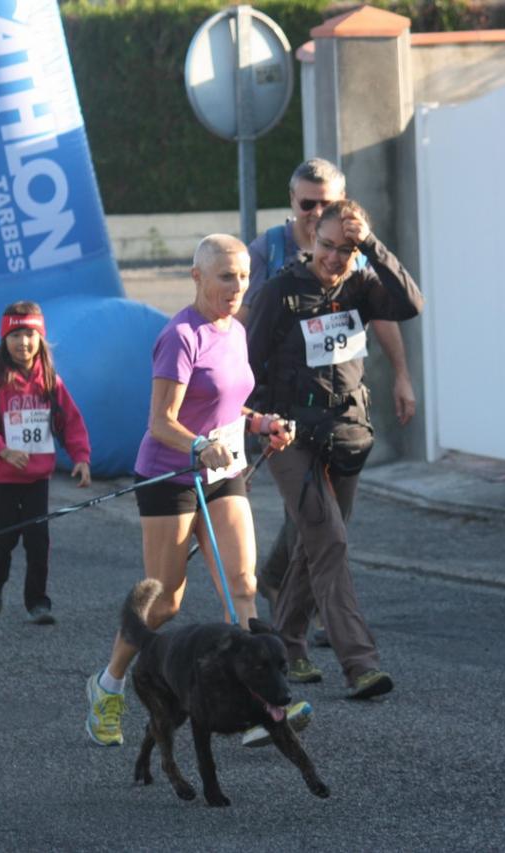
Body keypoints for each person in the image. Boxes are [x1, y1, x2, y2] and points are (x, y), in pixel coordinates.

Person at [85, 234, 299, 748]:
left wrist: (261, 423)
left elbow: (226, 403)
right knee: (163, 604)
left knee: (241, 584)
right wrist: (199, 445)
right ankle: (108, 685)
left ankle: (256, 709)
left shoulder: (236, 330)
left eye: (244, 276)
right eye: (226, 276)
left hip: (223, 473)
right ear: (197, 277)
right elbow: (161, 421)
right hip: (171, 477)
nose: (237, 287)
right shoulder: (180, 336)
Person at [245, 199, 424, 700]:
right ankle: (360, 663)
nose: (333, 258)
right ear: (312, 240)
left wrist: (372, 245)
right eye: (326, 246)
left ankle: (287, 645)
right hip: (288, 434)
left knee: (315, 544)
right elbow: (246, 368)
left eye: (345, 250)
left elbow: (410, 304)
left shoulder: (360, 286)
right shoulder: (280, 291)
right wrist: (253, 429)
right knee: (331, 540)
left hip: (346, 430)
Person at [0, 300, 91, 624]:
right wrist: (3, 450)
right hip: (3, 476)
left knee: (38, 541)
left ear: (40, 339)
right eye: (15, 335)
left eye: (29, 335)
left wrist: (81, 457)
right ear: (4, 340)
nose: (22, 342)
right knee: (5, 539)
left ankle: (37, 602)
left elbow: (71, 422)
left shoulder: (50, 380)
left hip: (37, 477)